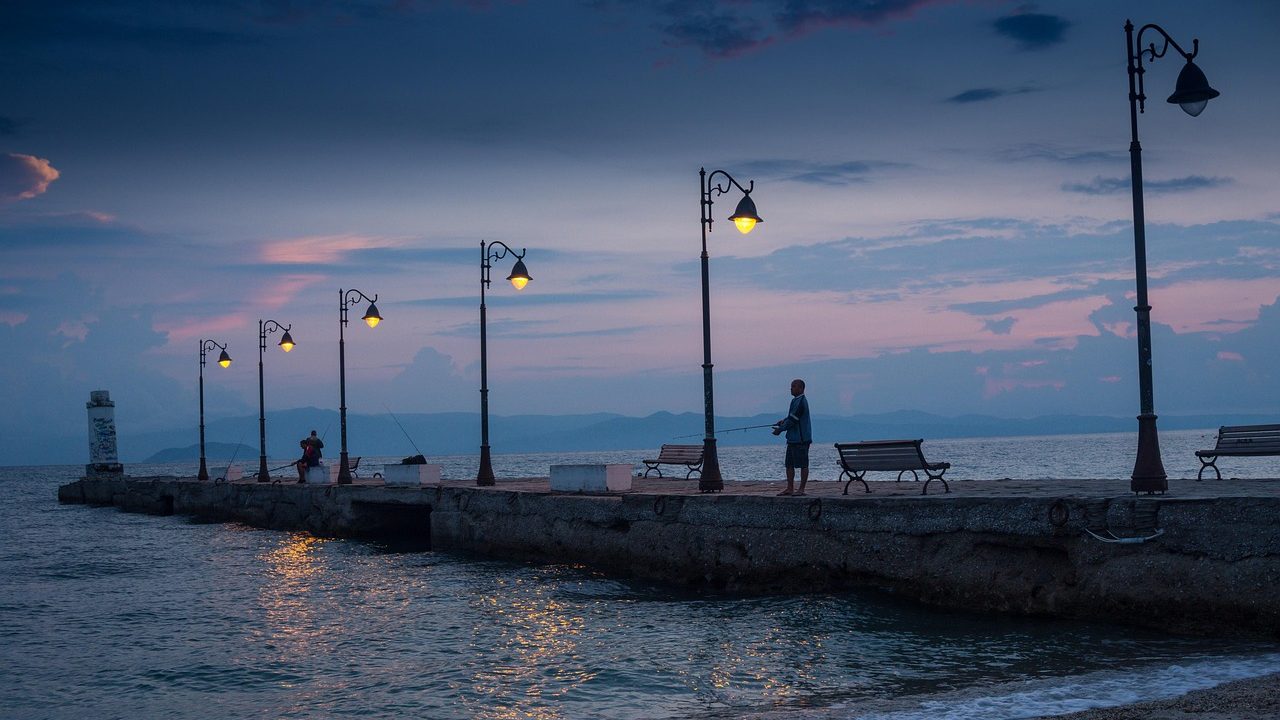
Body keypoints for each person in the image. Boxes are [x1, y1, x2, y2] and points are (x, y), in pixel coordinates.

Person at [771, 378, 812, 496]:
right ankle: (790, 488)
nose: (791, 388)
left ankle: (801, 489)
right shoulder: (795, 401)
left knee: (803, 464)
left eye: (794, 386)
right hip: (792, 439)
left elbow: (794, 419)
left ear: (801, 388)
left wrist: (780, 429)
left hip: (801, 439)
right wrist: (783, 421)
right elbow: (791, 417)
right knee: (789, 464)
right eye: (791, 386)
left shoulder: (801, 402)